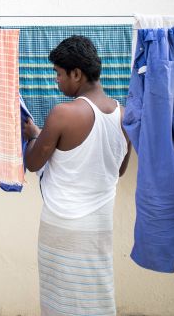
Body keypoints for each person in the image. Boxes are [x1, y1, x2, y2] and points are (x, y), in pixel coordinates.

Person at [23, 35, 131, 316]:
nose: (56, 81)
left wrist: (33, 137)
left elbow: (34, 162)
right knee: (95, 294)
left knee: (60, 301)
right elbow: (118, 169)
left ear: (76, 73)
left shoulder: (63, 114)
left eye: (58, 74)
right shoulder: (125, 114)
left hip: (61, 227)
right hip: (98, 227)